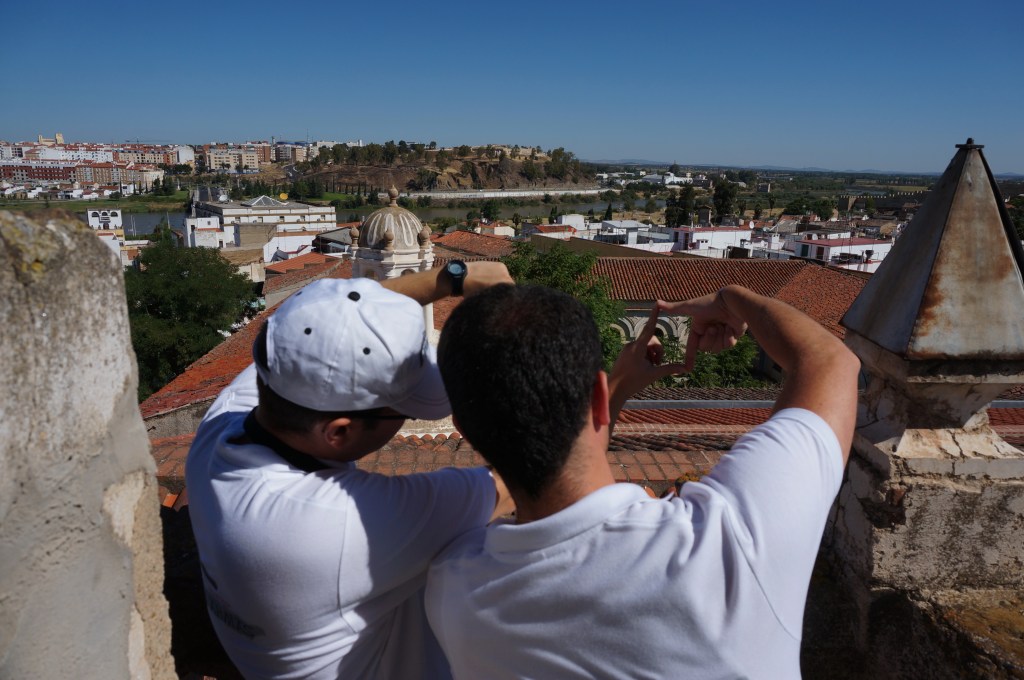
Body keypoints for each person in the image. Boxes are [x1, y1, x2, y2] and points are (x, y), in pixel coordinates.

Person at [426, 283, 859, 679]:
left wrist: (613, 388)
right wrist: (730, 300)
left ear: (463, 427)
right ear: (598, 397)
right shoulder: (728, 540)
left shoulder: (453, 591)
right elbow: (829, 361)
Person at [185, 263, 514, 680]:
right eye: (405, 412)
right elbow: (516, 484)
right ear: (338, 433)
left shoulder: (224, 426)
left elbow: (338, 317)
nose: (407, 421)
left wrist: (449, 279)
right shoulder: (337, 523)